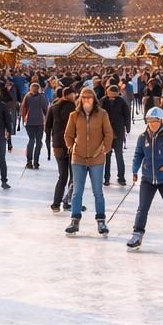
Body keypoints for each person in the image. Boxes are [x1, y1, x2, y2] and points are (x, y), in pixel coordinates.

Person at [125, 107, 163, 250]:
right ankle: (137, 235)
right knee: (142, 209)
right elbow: (138, 154)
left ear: (161, 122)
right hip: (147, 179)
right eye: (150, 121)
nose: (152, 124)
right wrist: (135, 170)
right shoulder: (142, 138)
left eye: (156, 121)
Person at [63, 86, 113, 235]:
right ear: (80, 99)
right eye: (84, 97)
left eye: (89, 97)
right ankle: (75, 220)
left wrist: (105, 148)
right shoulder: (74, 115)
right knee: (77, 192)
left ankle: (101, 221)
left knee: (98, 192)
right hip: (78, 158)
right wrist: (72, 147)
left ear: (94, 99)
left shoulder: (102, 114)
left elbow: (109, 133)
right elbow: (68, 135)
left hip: (97, 158)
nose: (86, 100)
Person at [45, 86, 76, 212]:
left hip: (57, 144)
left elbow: (47, 127)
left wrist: (50, 143)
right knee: (74, 175)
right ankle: (68, 201)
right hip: (72, 144)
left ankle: (56, 203)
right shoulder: (74, 108)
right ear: (70, 95)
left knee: (62, 176)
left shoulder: (53, 107)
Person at [103, 83, 132, 184]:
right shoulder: (103, 101)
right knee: (107, 156)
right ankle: (106, 178)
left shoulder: (121, 101)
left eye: (114, 96)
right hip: (106, 133)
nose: (112, 98)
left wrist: (127, 128)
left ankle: (121, 177)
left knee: (119, 155)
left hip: (118, 132)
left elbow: (127, 115)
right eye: (110, 96)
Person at [21, 82, 49, 170]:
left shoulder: (27, 96)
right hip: (39, 121)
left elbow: (23, 108)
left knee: (31, 140)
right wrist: (47, 120)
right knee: (38, 141)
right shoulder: (41, 97)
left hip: (29, 121)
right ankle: (36, 161)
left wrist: (23, 119)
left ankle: (29, 161)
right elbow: (45, 108)